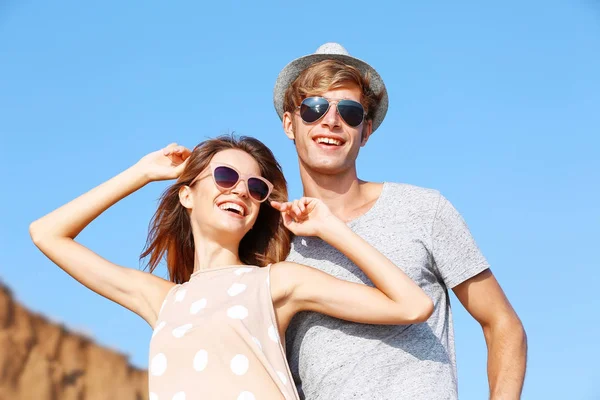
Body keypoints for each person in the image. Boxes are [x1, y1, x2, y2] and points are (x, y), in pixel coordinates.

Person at [29, 135, 434, 400]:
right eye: (225, 176)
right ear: (187, 195)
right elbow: (46, 233)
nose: (240, 189)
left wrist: (330, 228)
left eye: (256, 187)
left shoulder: (276, 283)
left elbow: (411, 306)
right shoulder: (164, 300)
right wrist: (142, 173)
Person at [273, 43, 528, 399]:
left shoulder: (424, 210)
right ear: (290, 123)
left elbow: (503, 324)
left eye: (349, 112)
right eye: (314, 108)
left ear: (366, 131)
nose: (331, 121)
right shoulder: (272, 244)